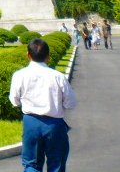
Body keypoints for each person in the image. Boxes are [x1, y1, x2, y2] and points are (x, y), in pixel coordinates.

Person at [10, 38, 77, 172]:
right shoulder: (57, 76)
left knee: (31, 164)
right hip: (54, 124)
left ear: (28, 55)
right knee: (56, 164)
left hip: (31, 122)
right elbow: (71, 103)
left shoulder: (19, 75)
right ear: (48, 56)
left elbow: (14, 101)